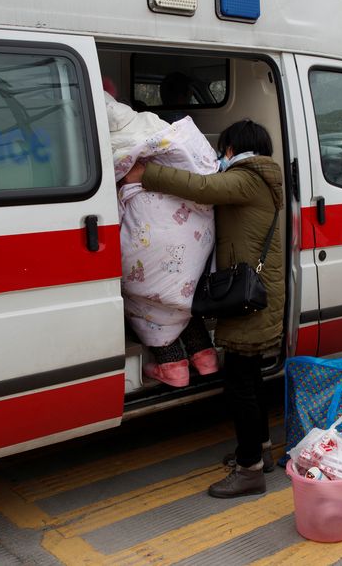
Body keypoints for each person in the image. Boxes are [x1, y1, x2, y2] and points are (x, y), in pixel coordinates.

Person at [123, 119, 284, 498]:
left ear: (234, 148)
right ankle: (260, 451)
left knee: (241, 385)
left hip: (252, 304)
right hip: (257, 298)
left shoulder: (249, 178)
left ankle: (250, 471)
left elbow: (203, 187)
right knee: (251, 381)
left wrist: (149, 174)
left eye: (222, 149)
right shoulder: (260, 178)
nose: (219, 156)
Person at [104, 81, 220, 387]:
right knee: (182, 294)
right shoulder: (154, 125)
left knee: (145, 295)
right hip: (190, 236)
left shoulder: (104, 139)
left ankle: (172, 365)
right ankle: (204, 356)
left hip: (151, 236)